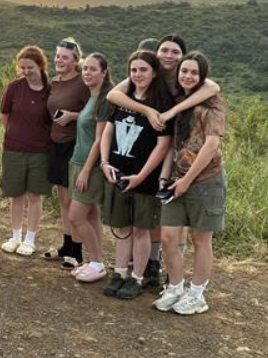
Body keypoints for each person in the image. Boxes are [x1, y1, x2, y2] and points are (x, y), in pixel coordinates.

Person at [106, 34, 221, 290]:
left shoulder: (186, 77)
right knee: (153, 217)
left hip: (176, 154)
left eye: (175, 52)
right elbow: (114, 95)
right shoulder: (148, 72)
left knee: (172, 222)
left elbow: (213, 88)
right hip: (155, 152)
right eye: (164, 51)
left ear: (183, 56)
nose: (169, 56)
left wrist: (173, 110)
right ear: (156, 54)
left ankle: (167, 271)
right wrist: (147, 110)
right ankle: (148, 264)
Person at [153, 52, 227, 315]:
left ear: (202, 76)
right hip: (176, 179)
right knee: (168, 236)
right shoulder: (180, 100)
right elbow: (173, 144)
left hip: (206, 180)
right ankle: (175, 287)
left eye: (194, 72)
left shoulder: (213, 104)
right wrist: (167, 176)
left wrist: (186, 179)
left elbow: (211, 145)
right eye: (184, 71)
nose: (188, 76)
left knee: (200, 238)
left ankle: (197, 294)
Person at [99, 50, 172, 300]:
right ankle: (119, 272)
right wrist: (105, 161)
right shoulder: (123, 99)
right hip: (117, 172)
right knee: (122, 227)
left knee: (141, 229)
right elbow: (108, 131)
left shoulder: (161, 103)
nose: (137, 74)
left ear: (154, 73)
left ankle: (138, 277)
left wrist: (142, 176)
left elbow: (164, 145)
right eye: (133, 70)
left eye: (143, 70)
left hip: (144, 178)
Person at [0, 46, 52, 256]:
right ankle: (15, 236)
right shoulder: (14, 87)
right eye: (22, 67)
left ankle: (30, 239)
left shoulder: (51, 89)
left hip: (41, 150)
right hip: (14, 148)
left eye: (30, 67)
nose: (26, 71)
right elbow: (5, 115)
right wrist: (16, 134)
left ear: (40, 65)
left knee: (35, 196)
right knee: (16, 195)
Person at [43, 38, 91, 267]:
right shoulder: (55, 82)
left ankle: (78, 252)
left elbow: (95, 113)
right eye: (58, 56)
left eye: (65, 57)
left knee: (74, 201)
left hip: (75, 145)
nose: (60, 60)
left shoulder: (83, 83)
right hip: (56, 144)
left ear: (75, 60)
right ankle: (67, 244)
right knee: (63, 199)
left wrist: (73, 116)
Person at [68, 53, 114, 283]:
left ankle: (96, 263)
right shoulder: (91, 96)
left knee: (75, 216)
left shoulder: (105, 100)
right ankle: (96, 260)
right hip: (79, 161)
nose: (87, 73)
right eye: (85, 68)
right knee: (92, 215)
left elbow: (99, 139)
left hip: (91, 165)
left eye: (93, 69)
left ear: (104, 72)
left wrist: (86, 170)